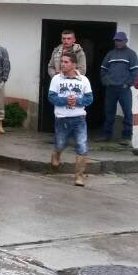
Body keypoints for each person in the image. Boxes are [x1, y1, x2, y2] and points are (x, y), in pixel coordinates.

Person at [48, 52, 94, 186]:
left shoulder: (84, 80)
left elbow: (89, 98)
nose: (62, 64)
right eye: (61, 61)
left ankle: (79, 177)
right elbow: (51, 97)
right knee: (60, 143)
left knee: (82, 145)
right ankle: (56, 154)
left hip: (79, 118)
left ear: (74, 64)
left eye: (66, 62)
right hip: (62, 118)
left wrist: (77, 100)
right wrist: (65, 100)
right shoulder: (56, 79)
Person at [99, 31, 138, 145]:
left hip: (124, 89)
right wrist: (106, 81)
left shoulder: (131, 54)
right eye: (116, 40)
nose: (117, 42)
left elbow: (136, 71)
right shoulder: (110, 54)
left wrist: (128, 84)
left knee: (127, 112)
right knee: (109, 112)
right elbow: (103, 69)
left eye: (120, 40)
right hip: (111, 88)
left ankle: (126, 137)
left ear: (125, 41)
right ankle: (107, 135)